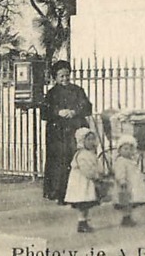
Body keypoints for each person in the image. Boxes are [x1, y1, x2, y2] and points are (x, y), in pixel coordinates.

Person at [41, 61, 93, 204]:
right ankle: (60, 194)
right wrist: (58, 112)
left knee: (76, 159)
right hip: (57, 133)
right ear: (55, 78)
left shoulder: (78, 90)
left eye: (67, 75)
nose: (64, 79)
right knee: (60, 161)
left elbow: (87, 106)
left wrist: (75, 111)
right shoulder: (51, 94)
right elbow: (44, 112)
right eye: (61, 76)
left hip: (74, 130)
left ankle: (80, 193)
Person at [64, 127, 103, 233]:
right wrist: (95, 176)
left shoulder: (90, 153)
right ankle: (82, 223)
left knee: (86, 204)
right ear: (82, 141)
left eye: (92, 139)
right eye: (88, 140)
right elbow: (86, 169)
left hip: (87, 183)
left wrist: (100, 171)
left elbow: (96, 164)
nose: (91, 142)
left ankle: (84, 222)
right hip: (81, 183)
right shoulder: (82, 155)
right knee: (83, 203)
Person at [113, 134, 145, 227]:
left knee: (129, 201)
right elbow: (120, 172)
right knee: (125, 201)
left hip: (132, 185)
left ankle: (128, 217)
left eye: (130, 149)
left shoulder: (131, 160)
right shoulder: (121, 161)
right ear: (119, 150)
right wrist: (121, 180)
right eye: (125, 149)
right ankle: (126, 218)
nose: (128, 151)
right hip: (125, 185)